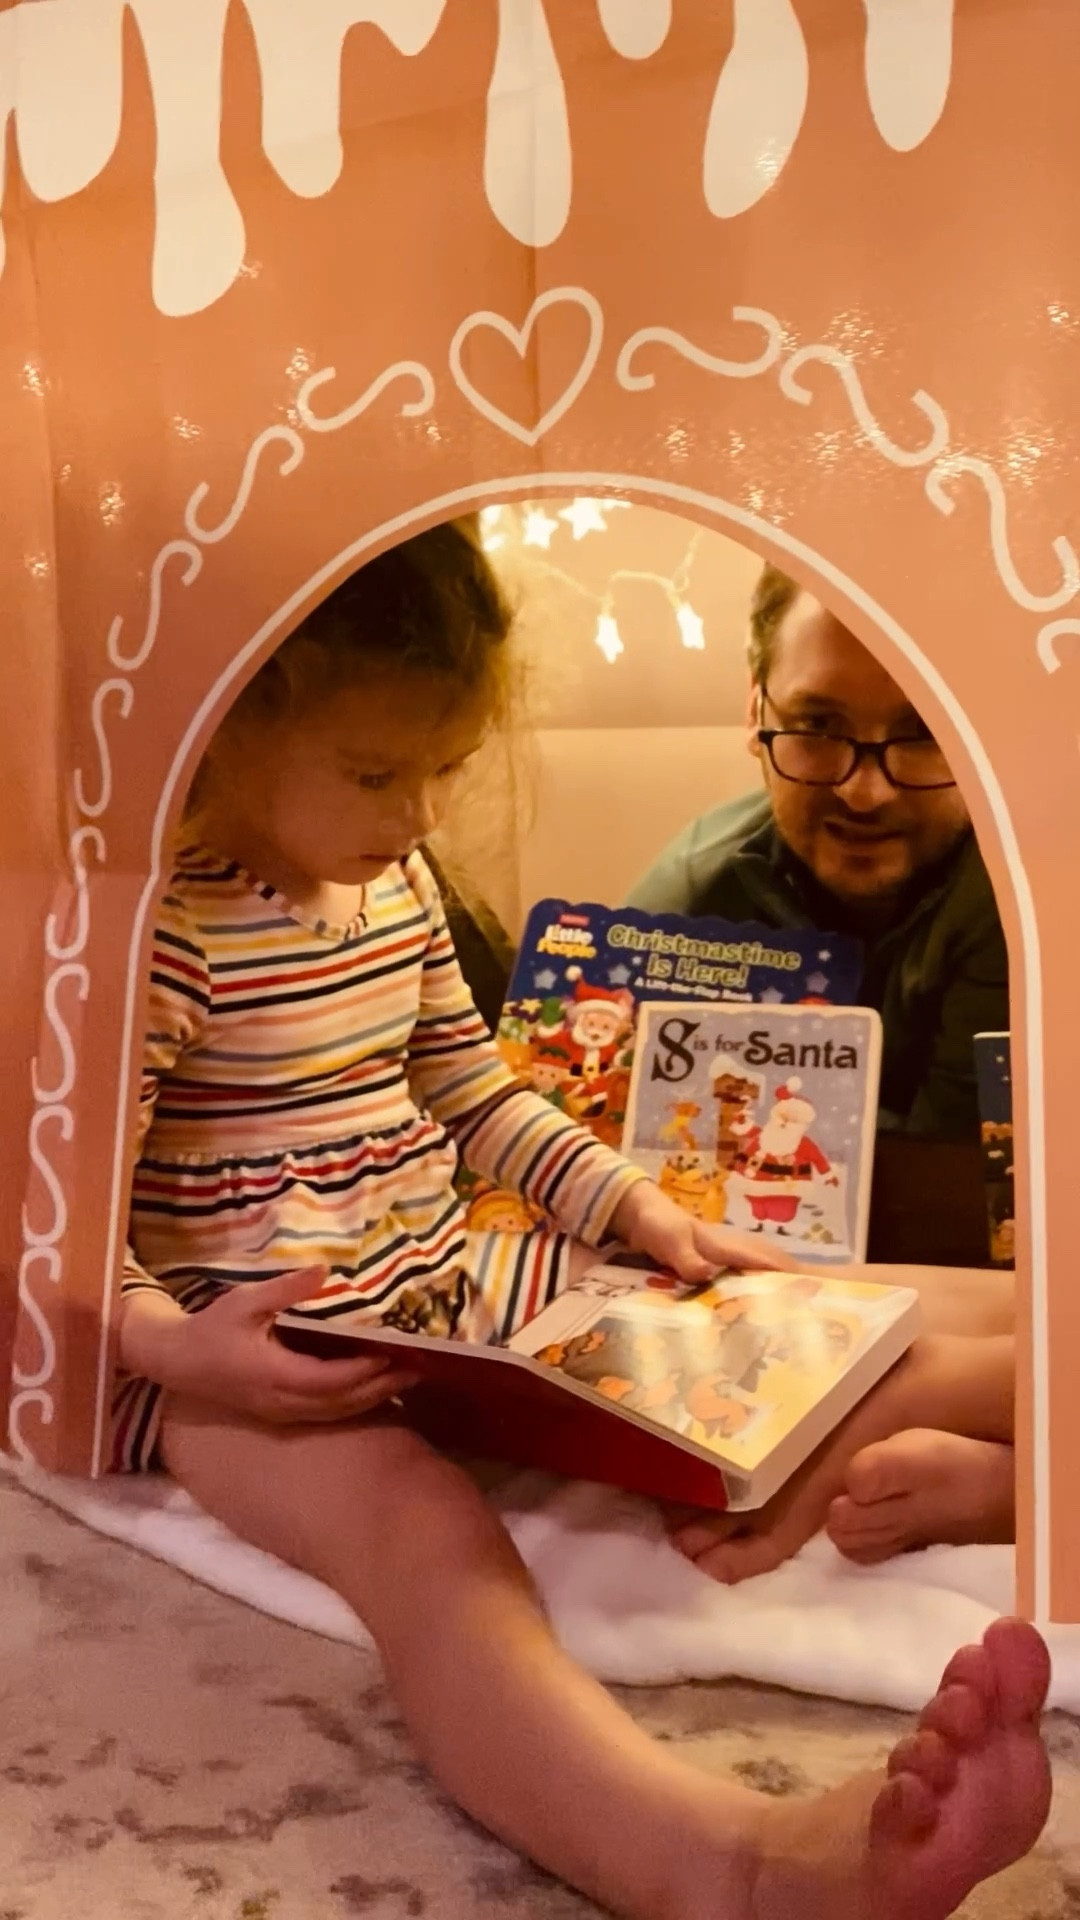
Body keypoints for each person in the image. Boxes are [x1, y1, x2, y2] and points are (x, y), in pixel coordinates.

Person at [111, 520, 1050, 1919]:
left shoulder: (394, 885)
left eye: (441, 773)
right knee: (425, 1541)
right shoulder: (157, 933)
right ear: (227, 728)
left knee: (767, 1300)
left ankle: (1040, 1355)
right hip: (248, 1347)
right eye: (379, 775)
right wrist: (168, 1348)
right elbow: (47, 1215)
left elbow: (476, 1093)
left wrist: (633, 1210)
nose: (418, 818)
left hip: (435, 1274)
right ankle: (728, 1865)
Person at [628, 564, 1008, 1143]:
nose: (865, 791)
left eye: (925, 730)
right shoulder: (692, 893)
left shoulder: (1022, 903)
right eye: (819, 725)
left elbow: (959, 1178)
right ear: (757, 710)